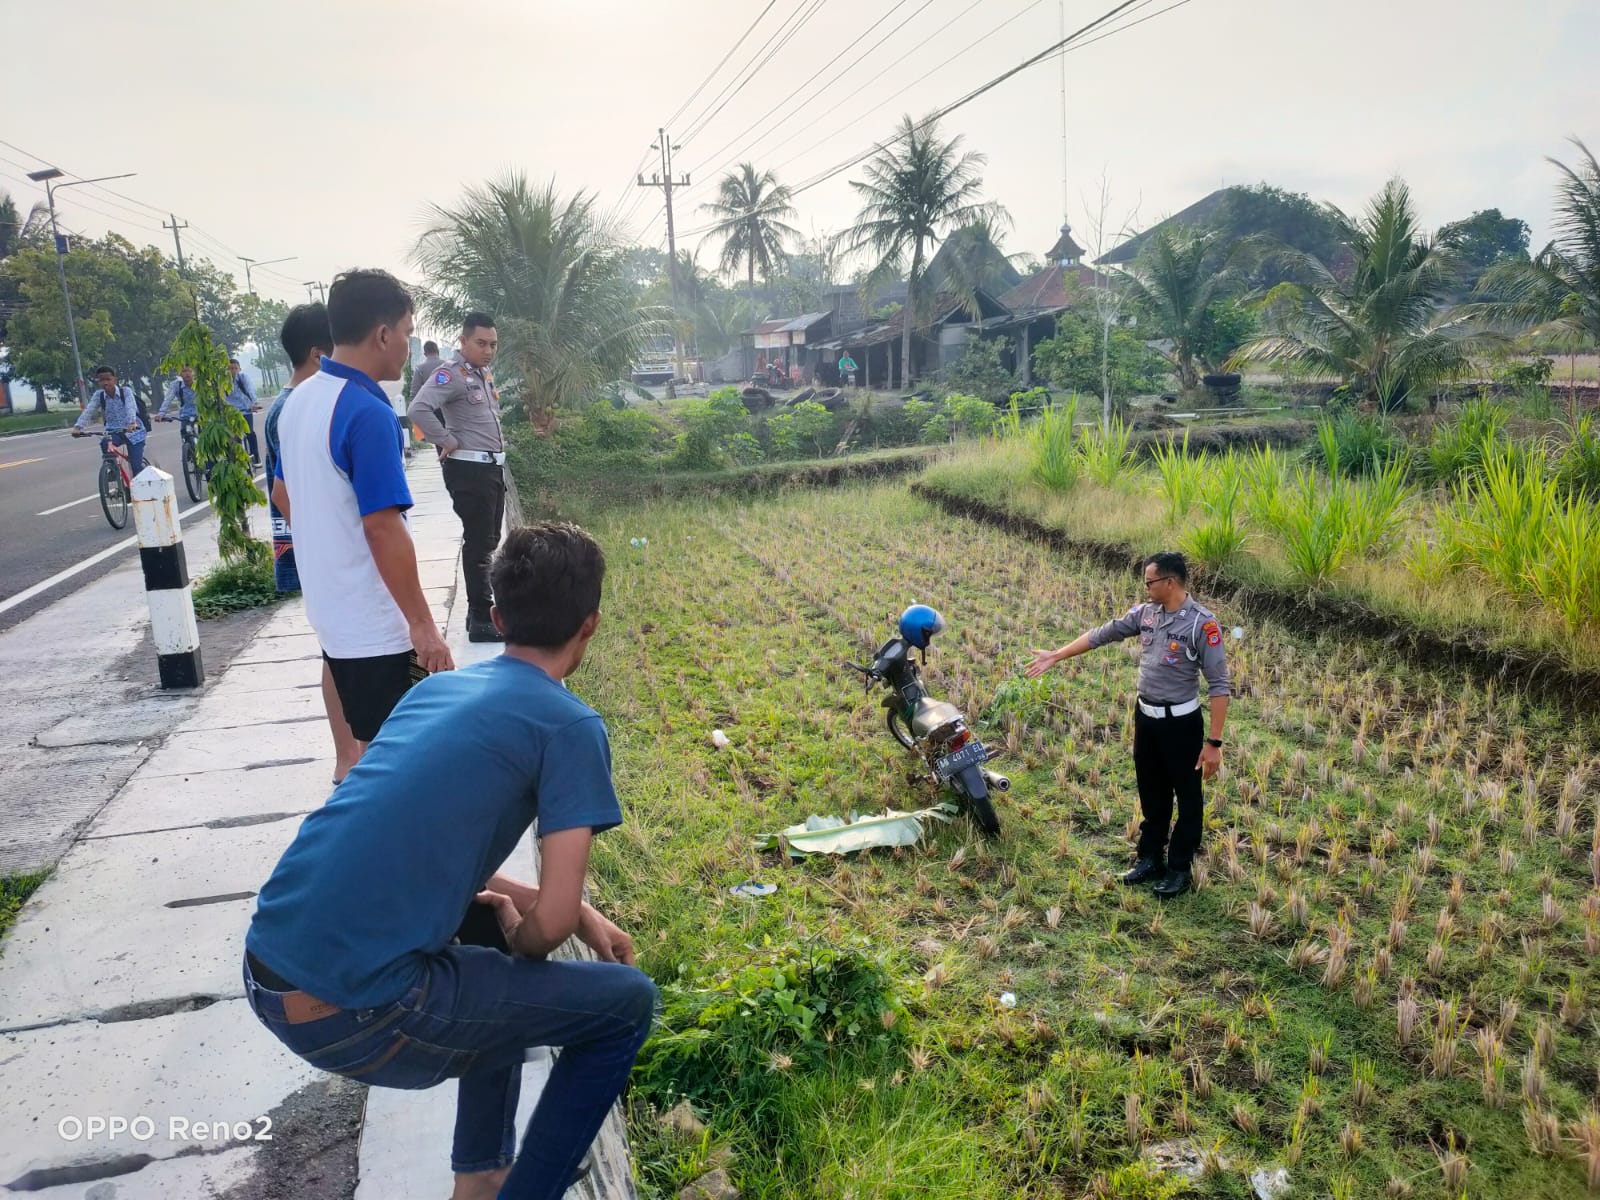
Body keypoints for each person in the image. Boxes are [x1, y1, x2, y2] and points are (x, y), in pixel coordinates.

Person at [243, 522, 655, 1200]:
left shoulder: (434, 693)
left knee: (492, 955)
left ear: (495, 617)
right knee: (625, 1005)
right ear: (591, 625)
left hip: (268, 971)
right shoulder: (570, 726)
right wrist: (543, 927)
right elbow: (543, 928)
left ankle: (483, 1176)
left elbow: (413, 840)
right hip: (357, 1012)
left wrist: (577, 914)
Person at [272, 268, 454, 759]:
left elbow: (283, 494)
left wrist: (329, 554)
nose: (408, 348)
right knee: (403, 762)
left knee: (376, 756)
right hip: (380, 630)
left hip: (335, 619)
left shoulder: (298, 402)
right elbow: (382, 527)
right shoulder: (366, 412)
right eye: (408, 335)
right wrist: (422, 625)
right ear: (382, 334)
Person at [1025, 551, 1231, 898]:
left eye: (1150, 581)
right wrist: (1057, 655)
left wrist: (1214, 743)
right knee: (1152, 792)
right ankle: (1149, 858)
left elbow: (1220, 686)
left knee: (1189, 799)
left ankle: (1179, 869)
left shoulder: (1202, 624)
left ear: (1170, 582)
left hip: (1181, 725)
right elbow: (1102, 634)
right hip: (1146, 720)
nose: (1145, 587)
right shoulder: (1146, 613)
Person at [264, 303, 361, 786]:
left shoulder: (293, 402)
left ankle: (350, 753)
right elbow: (282, 493)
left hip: (311, 548)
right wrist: (322, 538)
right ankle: (347, 755)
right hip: (314, 550)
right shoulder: (298, 404)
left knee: (336, 648)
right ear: (321, 352)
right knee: (336, 651)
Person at [408, 313, 506, 644]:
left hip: (489, 468)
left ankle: (476, 612)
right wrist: (445, 439)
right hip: (469, 469)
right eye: (480, 343)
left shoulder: (482, 375)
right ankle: (481, 616)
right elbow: (418, 409)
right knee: (479, 542)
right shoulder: (449, 375)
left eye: (493, 344)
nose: (488, 350)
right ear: (462, 342)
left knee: (488, 540)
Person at [70, 366, 147, 476]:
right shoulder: (99, 395)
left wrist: (132, 422)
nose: (105, 383)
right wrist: (78, 427)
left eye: (108, 379)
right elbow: (89, 410)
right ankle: (112, 469)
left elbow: (131, 407)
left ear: (115, 380)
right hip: (113, 431)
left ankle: (142, 483)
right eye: (101, 380)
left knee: (136, 467)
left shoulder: (126, 391)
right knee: (105, 443)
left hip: (134, 431)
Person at [225, 356, 262, 467]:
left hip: (246, 409)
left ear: (239, 369)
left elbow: (250, 389)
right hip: (231, 412)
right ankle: (233, 460)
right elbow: (220, 396)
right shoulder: (223, 381)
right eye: (230, 368)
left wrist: (255, 403)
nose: (233, 371)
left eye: (235, 368)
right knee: (232, 437)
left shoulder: (243, 378)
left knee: (249, 432)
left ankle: (255, 457)